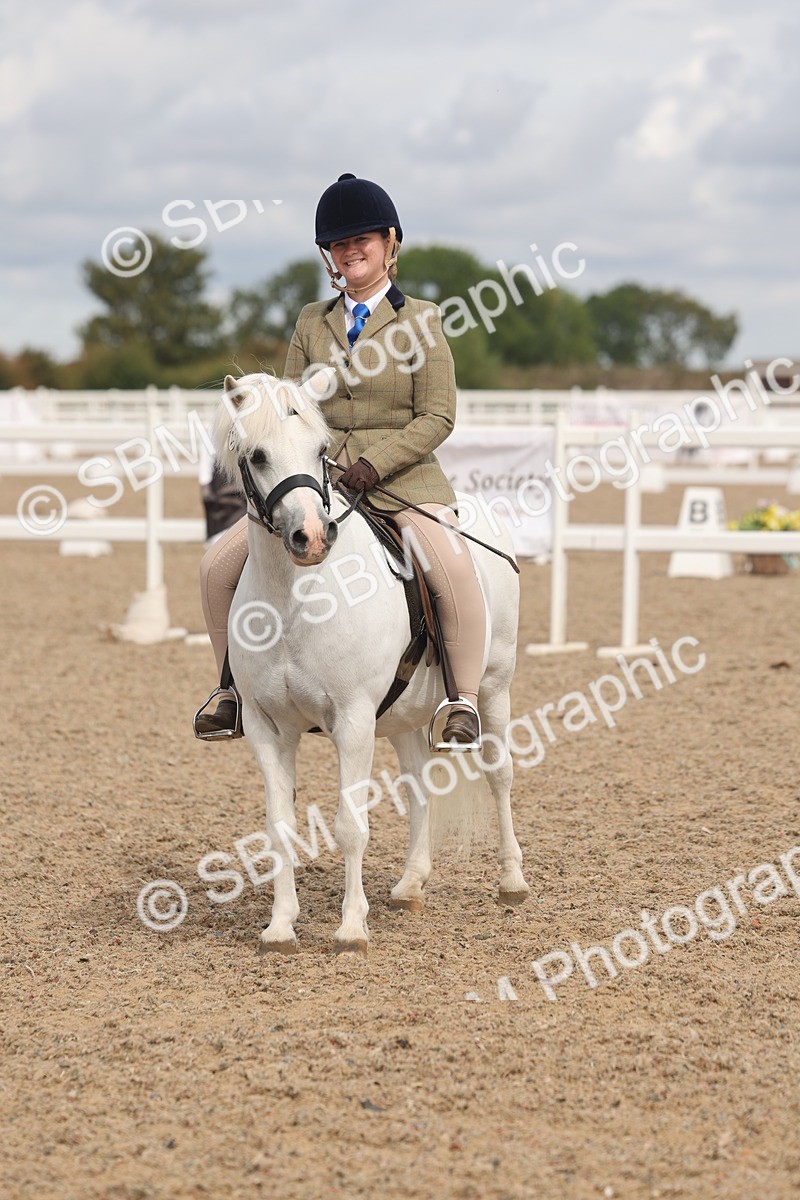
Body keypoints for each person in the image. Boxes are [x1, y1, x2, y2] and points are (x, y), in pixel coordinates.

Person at [194, 173, 487, 748]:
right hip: (322, 481)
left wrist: (375, 463)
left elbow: (438, 417)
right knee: (217, 567)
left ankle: (462, 701)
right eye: (339, 244)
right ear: (328, 254)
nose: (351, 251)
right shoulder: (312, 321)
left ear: (389, 243)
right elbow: (292, 407)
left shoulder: (421, 320)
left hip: (402, 480)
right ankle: (232, 689)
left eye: (363, 240)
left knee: (451, 570)